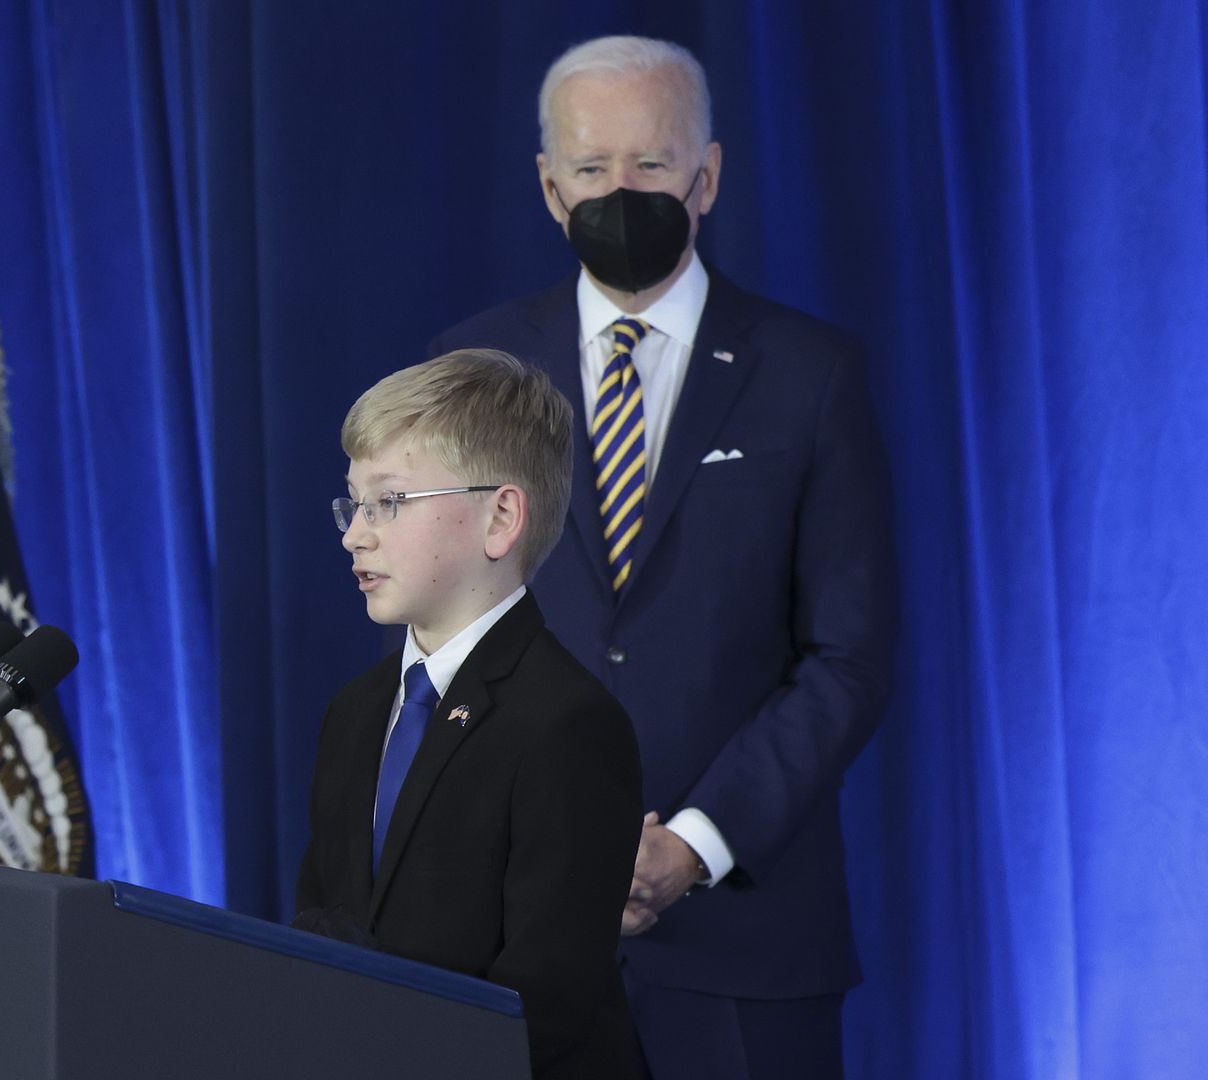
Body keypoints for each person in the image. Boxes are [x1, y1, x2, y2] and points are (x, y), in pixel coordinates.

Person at [427, 35, 898, 1080]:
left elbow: (849, 658)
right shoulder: (472, 374)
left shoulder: (811, 374)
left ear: (707, 176)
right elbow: (438, 641)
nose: (621, 193)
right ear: (550, 187)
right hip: (515, 948)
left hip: (744, 952)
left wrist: (694, 843)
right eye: (592, 168)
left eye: (649, 164)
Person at [293, 350, 644, 1079]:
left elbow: (544, 1001)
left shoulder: (568, 725)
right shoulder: (354, 711)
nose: (355, 534)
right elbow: (320, 927)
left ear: (501, 518)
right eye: (354, 503)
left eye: (389, 501)